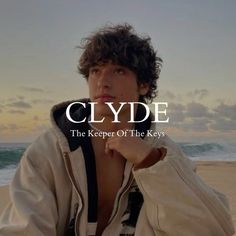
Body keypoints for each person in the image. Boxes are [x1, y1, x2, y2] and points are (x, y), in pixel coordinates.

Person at [0, 23, 235, 236]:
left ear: (143, 85)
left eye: (118, 70)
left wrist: (150, 162)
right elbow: (24, 228)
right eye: (96, 71)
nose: (103, 81)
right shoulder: (50, 150)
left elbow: (213, 229)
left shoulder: (161, 151)